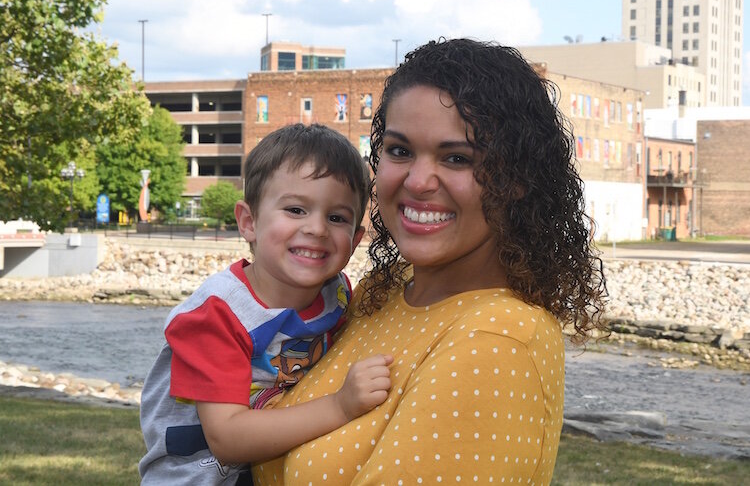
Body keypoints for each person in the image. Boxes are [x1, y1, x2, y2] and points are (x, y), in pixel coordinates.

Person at [252, 38, 607, 485]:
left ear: (518, 179)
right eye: (400, 151)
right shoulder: (378, 295)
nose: (418, 182)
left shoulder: (498, 338)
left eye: (456, 158)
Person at [139, 124, 393, 484]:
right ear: (249, 222)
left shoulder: (336, 294)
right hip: (200, 474)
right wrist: (340, 405)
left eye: (336, 217)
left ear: (354, 240)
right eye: (295, 209)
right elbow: (227, 438)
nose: (317, 228)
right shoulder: (217, 315)